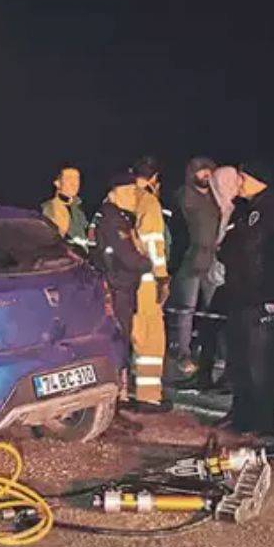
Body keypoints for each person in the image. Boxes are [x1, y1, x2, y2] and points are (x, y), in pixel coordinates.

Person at [216, 160, 274, 436]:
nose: (238, 183)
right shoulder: (243, 210)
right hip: (238, 295)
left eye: (242, 178)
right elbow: (225, 249)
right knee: (238, 360)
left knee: (260, 363)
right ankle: (241, 415)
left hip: (260, 298)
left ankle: (263, 421)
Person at [92, 174, 153, 392]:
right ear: (114, 193)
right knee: (120, 340)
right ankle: (119, 394)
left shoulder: (116, 216)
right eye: (127, 191)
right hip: (118, 288)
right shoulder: (113, 220)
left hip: (118, 286)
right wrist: (150, 263)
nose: (132, 196)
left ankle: (120, 391)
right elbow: (128, 257)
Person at [187, 165, 244, 391]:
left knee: (229, 331)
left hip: (234, 280)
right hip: (221, 278)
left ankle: (230, 377)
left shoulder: (238, 211)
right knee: (210, 327)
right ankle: (204, 375)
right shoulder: (221, 209)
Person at [126, 156, 172, 412]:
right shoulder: (148, 201)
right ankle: (148, 395)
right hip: (145, 281)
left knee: (130, 333)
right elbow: (154, 241)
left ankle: (125, 391)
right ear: (154, 178)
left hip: (122, 281)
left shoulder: (117, 199)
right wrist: (162, 275)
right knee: (151, 337)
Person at [168, 156, 220, 379]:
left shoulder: (215, 196)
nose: (206, 175)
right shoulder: (183, 196)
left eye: (209, 170)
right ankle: (182, 353)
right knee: (185, 309)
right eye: (201, 171)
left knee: (214, 308)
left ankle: (212, 353)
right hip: (190, 259)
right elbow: (178, 230)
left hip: (213, 259)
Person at [41, 165, 90, 252]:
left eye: (77, 179)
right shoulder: (49, 208)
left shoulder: (79, 208)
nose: (74, 183)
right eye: (69, 178)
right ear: (57, 183)